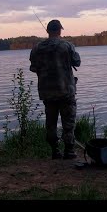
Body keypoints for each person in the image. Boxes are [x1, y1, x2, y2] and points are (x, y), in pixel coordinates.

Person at [29, 19, 81, 160]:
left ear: (47, 31)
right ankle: (69, 151)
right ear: (59, 30)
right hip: (66, 90)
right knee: (68, 122)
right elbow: (77, 62)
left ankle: (55, 151)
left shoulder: (37, 48)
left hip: (47, 92)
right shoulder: (67, 45)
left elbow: (34, 67)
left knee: (51, 122)